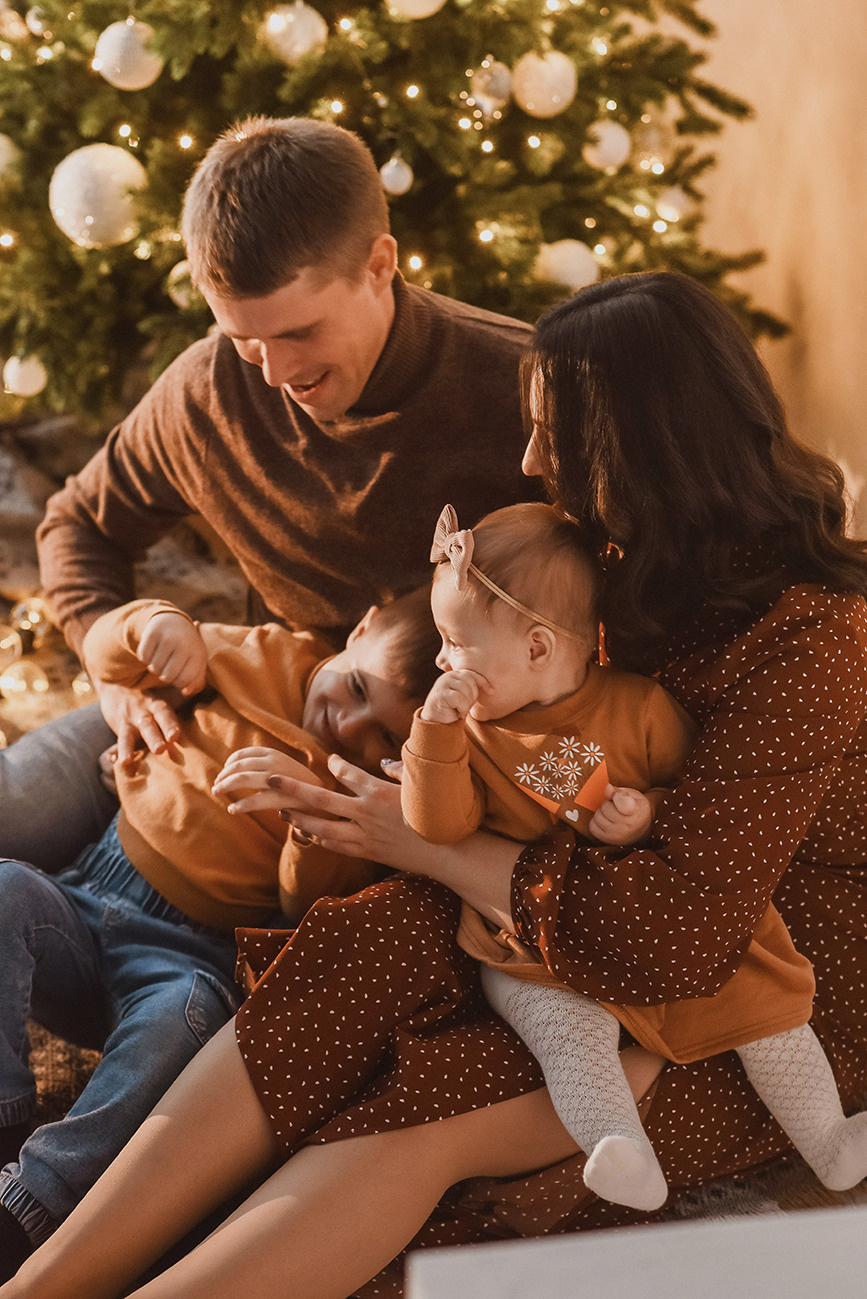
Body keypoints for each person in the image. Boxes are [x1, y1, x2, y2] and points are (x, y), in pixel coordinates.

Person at [5, 270, 867, 1299]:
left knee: (432, 1094)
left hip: (772, 988)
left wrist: (433, 848)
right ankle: (37, 1275)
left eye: (557, 435)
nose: (531, 459)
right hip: (575, 898)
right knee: (365, 943)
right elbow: (545, 761)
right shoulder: (613, 560)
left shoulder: (815, 638)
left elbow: (676, 936)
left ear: (651, 446)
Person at [0, 114, 534, 874]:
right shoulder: (210, 388)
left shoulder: (522, 392)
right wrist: (106, 668)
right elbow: (79, 523)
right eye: (245, 338)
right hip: (217, 711)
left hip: (409, 798)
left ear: (379, 264)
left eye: (299, 333)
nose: (275, 374)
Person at [401, 499, 867, 1213]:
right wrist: (431, 735)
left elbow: (696, 800)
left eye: (454, 643)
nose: (439, 659)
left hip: (649, 914)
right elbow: (437, 823)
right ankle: (617, 1147)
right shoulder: (471, 734)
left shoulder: (636, 707)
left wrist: (646, 808)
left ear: (535, 648)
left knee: (762, 999)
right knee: (563, 1029)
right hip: (537, 935)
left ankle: (828, 1141)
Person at [0, 586, 440, 1275]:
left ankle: (32, 1197)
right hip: (84, 894)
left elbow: (306, 905)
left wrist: (307, 812)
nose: (348, 726)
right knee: (4, 887)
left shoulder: (362, 791)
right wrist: (158, 623)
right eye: (356, 686)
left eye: (385, 735)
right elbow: (115, 646)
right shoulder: (262, 652)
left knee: (188, 1019)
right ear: (361, 625)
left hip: (183, 954)